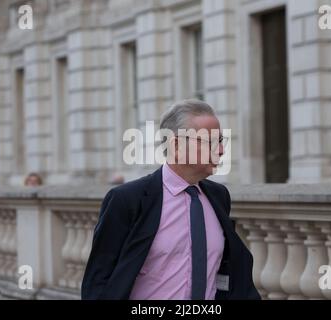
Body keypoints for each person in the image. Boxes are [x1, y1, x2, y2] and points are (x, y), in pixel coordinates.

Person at [81, 99, 260, 300]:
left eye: (221, 140)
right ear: (176, 145)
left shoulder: (219, 197)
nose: (220, 150)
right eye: (211, 141)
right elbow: (98, 281)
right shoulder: (126, 200)